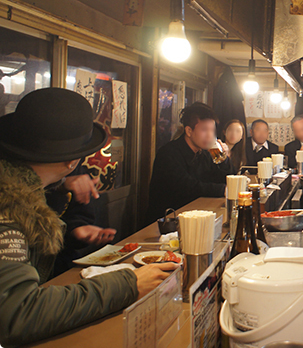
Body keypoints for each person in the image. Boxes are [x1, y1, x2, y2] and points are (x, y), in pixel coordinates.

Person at [0, 88, 178, 346]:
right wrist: (128, 284)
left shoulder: (29, 189)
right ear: (71, 162)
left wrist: (71, 232)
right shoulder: (9, 208)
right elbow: (17, 314)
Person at [146, 102, 232, 225]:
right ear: (189, 131)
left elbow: (222, 178)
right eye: (204, 130)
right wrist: (222, 190)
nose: (210, 135)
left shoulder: (204, 153)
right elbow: (186, 186)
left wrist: (224, 159)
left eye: (212, 130)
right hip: (168, 223)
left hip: (195, 216)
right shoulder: (169, 153)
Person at [45, 165, 117, 276]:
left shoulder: (75, 168)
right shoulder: (15, 166)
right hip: (24, 267)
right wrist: (59, 185)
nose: (71, 163)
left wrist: (75, 229)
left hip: (61, 266)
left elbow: (79, 215)